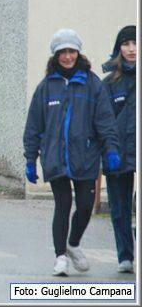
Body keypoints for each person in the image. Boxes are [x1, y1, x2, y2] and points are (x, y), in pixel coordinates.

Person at [23, 29, 121, 276]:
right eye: (62, 52)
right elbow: (34, 125)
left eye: (71, 51)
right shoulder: (46, 87)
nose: (67, 56)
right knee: (63, 206)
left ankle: (73, 243)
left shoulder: (92, 84)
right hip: (55, 157)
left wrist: (111, 149)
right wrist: (30, 159)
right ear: (55, 56)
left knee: (86, 205)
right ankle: (60, 258)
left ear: (78, 52)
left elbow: (105, 121)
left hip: (85, 156)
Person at [101, 25, 136, 274]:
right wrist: (108, 151)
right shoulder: (111, 83)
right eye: (126, 44)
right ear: (118, 48)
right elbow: (103, 121)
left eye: (135, 43)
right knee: (119, 206)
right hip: (119, 151)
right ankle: (125, 255)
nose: (132, 49)